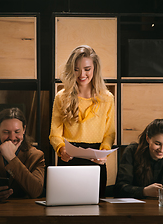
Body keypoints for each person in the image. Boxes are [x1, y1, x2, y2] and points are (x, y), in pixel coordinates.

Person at [49, 45, 115, 197]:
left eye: (87, 69)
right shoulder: (61, 97)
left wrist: (104, 152)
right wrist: (61, 150)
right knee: (66, 211)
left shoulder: (107, 98)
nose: (82, 74)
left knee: (96, 212)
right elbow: (54, 134)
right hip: (69, 159)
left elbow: (109, 133)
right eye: (76, 69)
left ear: (95, 69)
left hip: (96, 161)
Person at [114, 119, 163, 199]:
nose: (162, 150)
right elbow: (119, 188)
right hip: (137, 208)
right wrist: (145, 191)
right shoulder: (132, 151)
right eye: (157, 144)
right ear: (148, 138)